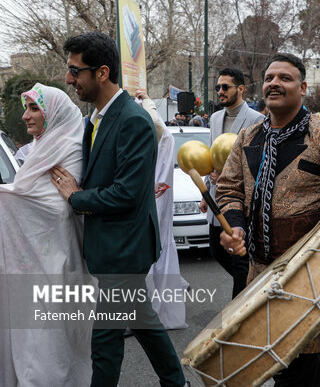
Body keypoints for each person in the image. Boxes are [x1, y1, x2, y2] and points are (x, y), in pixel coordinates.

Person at [217, 53, 320, 386]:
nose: (275, 83)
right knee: (265, 368)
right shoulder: (248, 139)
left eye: (285, 78)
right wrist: (234, 226)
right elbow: (229, 190)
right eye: (269, 78)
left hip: (308, 280)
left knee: (302, 376)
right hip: (257, 276)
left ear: (303, 88)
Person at [51, 32, 187, 387]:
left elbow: (125, 193)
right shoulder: (95, 119)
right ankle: (177, 382)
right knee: (144, 321)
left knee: (105, 340)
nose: (69, 79)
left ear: (102, 72)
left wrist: (75, 197)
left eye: (74, 71)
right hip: (110, 246)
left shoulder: (132, 120)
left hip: (124, 248)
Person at [0, 83, 92, 386]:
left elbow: (58, 207)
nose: (26, 116)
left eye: (34, 108)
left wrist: (9, 197)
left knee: (53, 338)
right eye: (27, 108)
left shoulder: (73, 146)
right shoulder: (39, 147)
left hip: (60, 262)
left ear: (53, 113)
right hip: (30, 264)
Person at [199, 67, 264, 299]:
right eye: (218, 87)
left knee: (240, 261)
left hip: (241, 201)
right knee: (217, 249)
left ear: (241, 89)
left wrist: (228, 176)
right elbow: (211, 157)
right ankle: (252, 285)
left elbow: (256, 164)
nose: (220, 91)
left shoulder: (257, 119)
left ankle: (241, 307)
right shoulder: (215, 118)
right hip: (216, 196)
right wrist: (206, 192)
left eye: (225, 87)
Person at [136, 89, 189, 330]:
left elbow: (156, 125)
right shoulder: (162, 138)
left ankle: (148, 312)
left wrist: (146, 101)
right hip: (152, 207)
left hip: (151, 209)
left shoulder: (158, 135)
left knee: (150, 254)